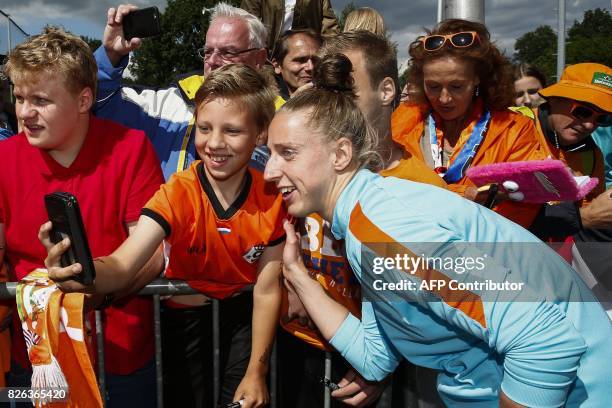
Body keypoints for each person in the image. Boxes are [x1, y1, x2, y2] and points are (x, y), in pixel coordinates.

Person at [264, 52, 612, 408]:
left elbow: (544, 340)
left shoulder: (384, 230)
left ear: (340, 155)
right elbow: (374, 355)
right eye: (270, 153)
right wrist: (297, 274)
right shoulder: (364, 224)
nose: (269, 172)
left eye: (287, 153)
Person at [41, 64, 286, 408]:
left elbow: (267, 287)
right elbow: (125, 262)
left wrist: (256, 372)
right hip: (181, 325)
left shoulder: (274, 200)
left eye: (232, 131)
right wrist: (83, 274)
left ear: (261, 133)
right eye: (204, 128)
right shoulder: (177, 192)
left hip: (245, 325)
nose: (214, 143)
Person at [278, 33, 446, 408]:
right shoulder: (310, 164)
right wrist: (290, 283)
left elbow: (434, 304)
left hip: (370, 367)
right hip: (300, 344)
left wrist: (381, 362)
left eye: (347, 93)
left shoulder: (425, 192)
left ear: (387, 90)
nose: (335, 108)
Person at [0, 27, 165, 407]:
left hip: (122, 362)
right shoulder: (4, 158)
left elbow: (152, 254)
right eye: (20, 96)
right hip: (36, 362)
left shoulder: (131, 148)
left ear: (84, 99)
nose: (25, 112)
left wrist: (93, 295)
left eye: (40, 100)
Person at [95, 2, 277, 180]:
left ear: (259, 59)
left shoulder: (282, 119)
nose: (212, 61)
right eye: (207, 51)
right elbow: (94, 102)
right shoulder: (167, 105)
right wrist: (110, 55)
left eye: (228, 52)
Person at [392, 19, 545, 228]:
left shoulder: (514, 129)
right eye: (433, 86)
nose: (444, 99)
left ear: (477, 79)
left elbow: (520, 210)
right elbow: (386, 186)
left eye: (456, 86)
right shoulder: (404, 120)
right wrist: (465, 196)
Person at [528, 63, 612, 315]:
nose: (589, 125)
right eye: (583, 111)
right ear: (554, 99)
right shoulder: (513, 125)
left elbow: (585, 228)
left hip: (546, 270)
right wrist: (583, 217)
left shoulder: (591, 155)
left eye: (602, 119)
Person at [241, 0, 339, 56]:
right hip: (268, 57)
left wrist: (324, 56)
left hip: (306, 57)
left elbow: (330, 28)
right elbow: (247, 24)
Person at [271, 29, 322, 99]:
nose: (311, 67)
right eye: (301, 60)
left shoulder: (333, 100)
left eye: (315, 60)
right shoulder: (265, 104)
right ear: (277, 65)